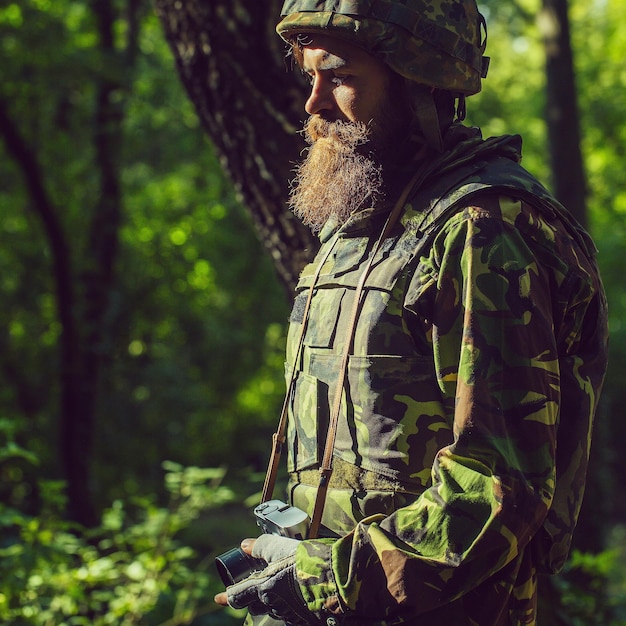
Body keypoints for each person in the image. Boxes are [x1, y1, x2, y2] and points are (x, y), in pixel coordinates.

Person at [214, 1, 609, 624]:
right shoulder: (366, 222)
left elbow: (498, 488)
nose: (312, 105)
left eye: (340, 77)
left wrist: (325, 579)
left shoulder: (482, 230)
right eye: (308, 75)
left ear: (421, 80)